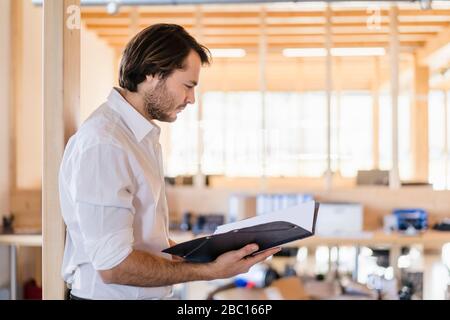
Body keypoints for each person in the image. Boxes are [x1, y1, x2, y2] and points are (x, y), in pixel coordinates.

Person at [59, 23, 280, 300]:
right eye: (187, 85)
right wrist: (209, 272)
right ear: (152, 72)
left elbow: (144, 242)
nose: (191, 99)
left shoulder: (138, 137)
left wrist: (205, 256)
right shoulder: (105, 143)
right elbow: (113, 266)